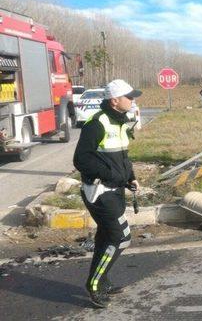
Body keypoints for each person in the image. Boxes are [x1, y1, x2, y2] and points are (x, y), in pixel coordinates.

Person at [73, 79, 141, 308]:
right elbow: (81, 159)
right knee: (120, 237)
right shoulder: (97, 123)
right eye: (129, 97)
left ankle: (102, 280)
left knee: (106, 238)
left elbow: (122, 156)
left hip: (115, 190)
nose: (132, 100)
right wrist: (111, 175)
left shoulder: (120, 122)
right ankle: (94, 284)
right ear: (115, 101)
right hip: (100, 192)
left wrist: (130, 177)